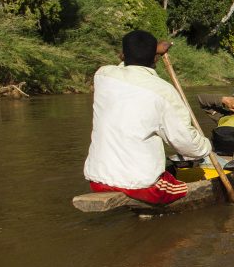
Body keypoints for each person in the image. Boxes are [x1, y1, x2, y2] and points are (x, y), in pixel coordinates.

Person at [84, 30, 212, 204]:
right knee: (181, 185)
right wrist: (206, 146)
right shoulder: (164, 92)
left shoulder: (102, 76)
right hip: (142, 186)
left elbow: (125, 67)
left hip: (97, 180)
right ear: (155, 58)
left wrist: (152, 52)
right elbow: (188, 146)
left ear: (122, 55)